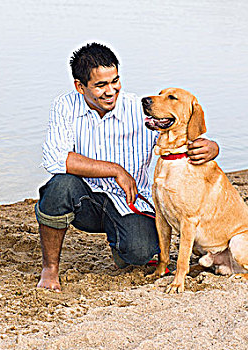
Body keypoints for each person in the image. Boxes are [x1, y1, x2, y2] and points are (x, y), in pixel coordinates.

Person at [35, 43, 219, 291]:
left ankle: (121, 244)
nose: (111, 91)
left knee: (140, 252)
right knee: (58, 186)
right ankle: (50, 269)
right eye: (101, 85)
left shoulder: (139, 109)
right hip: (84, 201)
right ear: (80, 87)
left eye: (115, 81)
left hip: (128, 202)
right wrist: (115, 170)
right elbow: (56, 158)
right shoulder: (65, 106)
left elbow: (179, 131)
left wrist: (211, 147)